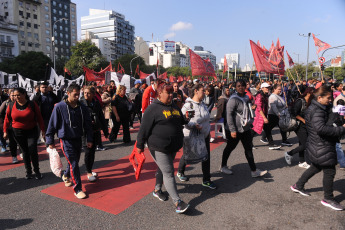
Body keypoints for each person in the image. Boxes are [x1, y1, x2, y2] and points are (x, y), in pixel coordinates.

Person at [136, 80, 191, 214]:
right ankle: (177, 202)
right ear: (160, 93)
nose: (172, 95)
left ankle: (157, 190)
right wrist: (140, 145)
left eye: (172, 92)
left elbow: (181, 121)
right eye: (168, 93)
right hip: (158, 146)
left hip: (172, 146)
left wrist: (187, 118)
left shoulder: (174, 106)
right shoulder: (152, 108)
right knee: (168, 172)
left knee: (163, 168)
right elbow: (143, 129)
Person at [291, 86, 345, 211]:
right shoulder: (317, 110)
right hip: (321, 145)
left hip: (318, 145)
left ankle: (298, 185)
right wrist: (341, 129)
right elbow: (320, 129)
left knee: (315, 167)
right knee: (330, 171)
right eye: (328, 98)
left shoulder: (318, 107)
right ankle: (328, 198)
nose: (331, 100)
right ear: (319, 98)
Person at [45, 84, 93, 199]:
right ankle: (78, 189)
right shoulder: (59, 107)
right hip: (66, 140)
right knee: (74, 163)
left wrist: (89, 139)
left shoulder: (82, 107)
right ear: (68, 93)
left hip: (78, 139)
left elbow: (88, 125)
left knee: (74, 161)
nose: (77, 97)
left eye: (78, 94)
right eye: (75, 94)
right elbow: (52, 124)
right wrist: (50, 140)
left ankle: (65, 175)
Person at [220, 80, 267, 177]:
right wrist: (232, 130)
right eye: (238, 86)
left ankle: (253, 171)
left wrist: (252, 107)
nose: (241, 87)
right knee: (230, 147)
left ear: (245, 86)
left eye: (243, 85)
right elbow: (228, 115)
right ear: (235, 87)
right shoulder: (233, 99)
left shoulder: (246, 97)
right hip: (235, 130)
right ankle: (223, 166)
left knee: (248, 149)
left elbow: (247, 109)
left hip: (245, 129)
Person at [177, 83, 216, 189]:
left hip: (204, 135)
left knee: (206, 157)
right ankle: (180, 171)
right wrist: (193, 125)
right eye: (203, 90)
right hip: (190, 135)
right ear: (196, 91)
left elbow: (206, 119)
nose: (205, 92)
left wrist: (207, 130)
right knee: (187, 155)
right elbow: (182, 121)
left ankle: (206, 180)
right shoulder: (188, 106)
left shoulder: (203, 104)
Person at [3, 88, 45, 179]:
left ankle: (37, 171)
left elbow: (39, 117)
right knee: (24, 151)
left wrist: (43, 131)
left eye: (18, 95)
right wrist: (5, 131)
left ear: (24, 94)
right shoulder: (11, 105)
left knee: (32, 150)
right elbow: (7, 119)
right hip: (17, 132)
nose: (16, 97)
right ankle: (28, 172)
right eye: (14, 95)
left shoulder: (32, 104)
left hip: (32, 131)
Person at [80, 86, 108, 181]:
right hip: (85, 132)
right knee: (88, 152)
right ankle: (88, 172)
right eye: (84, 93)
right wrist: (87, 121)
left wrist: (105, 131)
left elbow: (101, 117)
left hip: (95, 131)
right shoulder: (81, 103)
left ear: (93, 94)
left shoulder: (96, 103)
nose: (86, 95)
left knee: (92, 153)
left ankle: (90, 170)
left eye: (88, 93)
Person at [284, 87, 314, 169]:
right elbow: (294, 114)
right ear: (308, 93)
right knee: (306, 144)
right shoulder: (300, 101)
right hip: (299, 126)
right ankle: (289, 153)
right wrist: (303, 120)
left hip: (306, 126)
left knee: (302, 143)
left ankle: (301, 161)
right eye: (313, 93)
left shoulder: (311, 102)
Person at [265, 84, 291, 149]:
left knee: (282, 127)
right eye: (279, 89)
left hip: (280, 114)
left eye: (280, 89)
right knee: (269, 127)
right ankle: (265, 138)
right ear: (274, 89)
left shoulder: (278, 96)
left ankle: (284, 140)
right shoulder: (273, 96)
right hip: (274, 115)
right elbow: (273, 107)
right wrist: (278, 114)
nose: (280, 91)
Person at [32, 82, 59, 146]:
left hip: (51, 117)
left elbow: (58, 103)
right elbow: (33, 107)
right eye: (42, 87)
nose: (44, 89)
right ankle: (48, 144)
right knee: (43, 132)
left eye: (46, 87)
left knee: (51, 131)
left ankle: (49, 143)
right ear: (40, 88)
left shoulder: (53, 95)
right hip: (41, 118)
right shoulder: (37, 97)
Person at [0, 89, 19, 163]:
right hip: (10, 126)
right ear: (9, 96)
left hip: (20, 126)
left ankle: (22, 153)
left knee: (21, 141)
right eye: (12, 95)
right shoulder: (6, 103)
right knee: (12, 142)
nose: (14, 97)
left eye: (16, 95)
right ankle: (14, 156)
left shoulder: (21, 103)